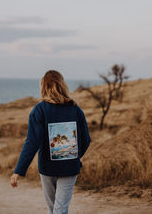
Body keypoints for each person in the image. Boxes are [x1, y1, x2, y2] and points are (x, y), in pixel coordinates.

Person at [10, 70, 91, 214]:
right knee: (57, 209)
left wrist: (18, 170)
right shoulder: (75, 109)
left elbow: (31, 143)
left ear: (43, 87)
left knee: (57, 209)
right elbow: (86, 140)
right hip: (67, 167)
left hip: (48, 167)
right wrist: (73, 156)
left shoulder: (39, 110)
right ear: (62, 85)